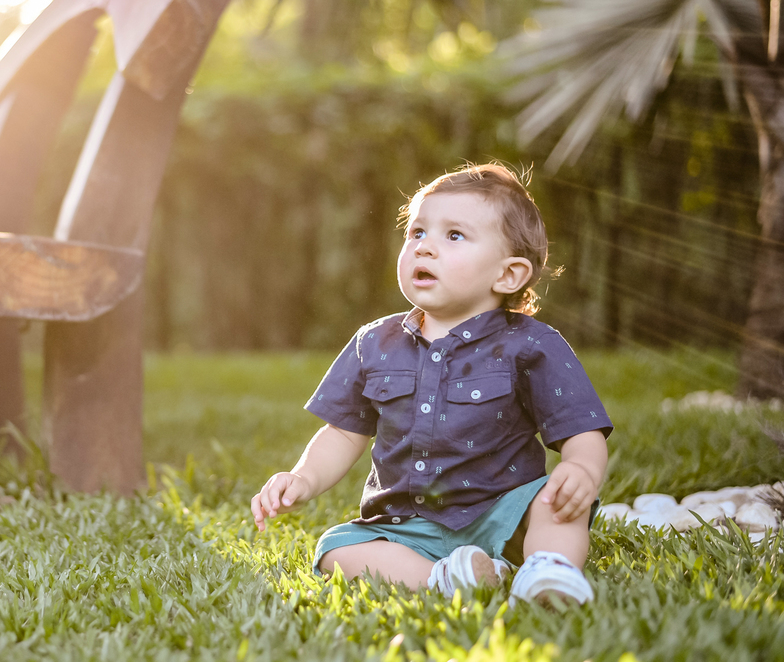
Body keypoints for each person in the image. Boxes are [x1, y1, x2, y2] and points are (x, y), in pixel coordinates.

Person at [251, 163, 612, 606]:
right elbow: (343, 432)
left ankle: (549, 568)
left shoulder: (532, 345)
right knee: (336, 550)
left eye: (453, 235)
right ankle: (450, 578)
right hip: (407, 525)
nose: (424, 248)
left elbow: (581, 430)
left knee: (555, 503)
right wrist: (304, 477)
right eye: (417, 232)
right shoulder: (375, 343)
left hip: (507, 513)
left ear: (508, 275)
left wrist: (582, 469)